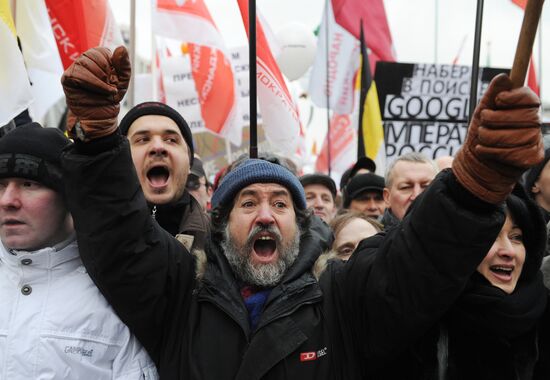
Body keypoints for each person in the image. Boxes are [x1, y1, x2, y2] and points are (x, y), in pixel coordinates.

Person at [60, 46, 547, 379]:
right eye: (248, 204)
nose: (266, 215)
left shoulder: (342, 295)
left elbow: (416, 261)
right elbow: (121, 239)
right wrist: (100, 142)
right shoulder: (181, 290)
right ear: (222, 223)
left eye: (280, 204)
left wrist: (471, 185)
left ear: (303, 221)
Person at [0, 123, 158, 379]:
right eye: (0, 185)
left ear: (69, 197)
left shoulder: (115, 296)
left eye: (28, 184)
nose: (8, 200)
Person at [119, 101, 209, 251]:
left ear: (189, 164)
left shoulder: (220, 240)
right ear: (121, 161)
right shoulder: (98, 231)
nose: (158, 147)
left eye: (171, 140)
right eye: (142, 139)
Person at [381, 152, 439, 228]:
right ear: (387, 197)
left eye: (426, 187)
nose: (417, 195)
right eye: (406, 187)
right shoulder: (368, 236)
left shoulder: (456, 235)